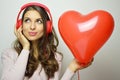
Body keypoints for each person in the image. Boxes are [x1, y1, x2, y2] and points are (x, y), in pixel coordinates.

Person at [0, 2, 93, 80]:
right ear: (20, 25)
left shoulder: (55, 58)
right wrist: (26, 48)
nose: (32, 27)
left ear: (47, 27)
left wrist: (72, 68)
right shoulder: (9, 55)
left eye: (39, 21)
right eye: (27, 20)